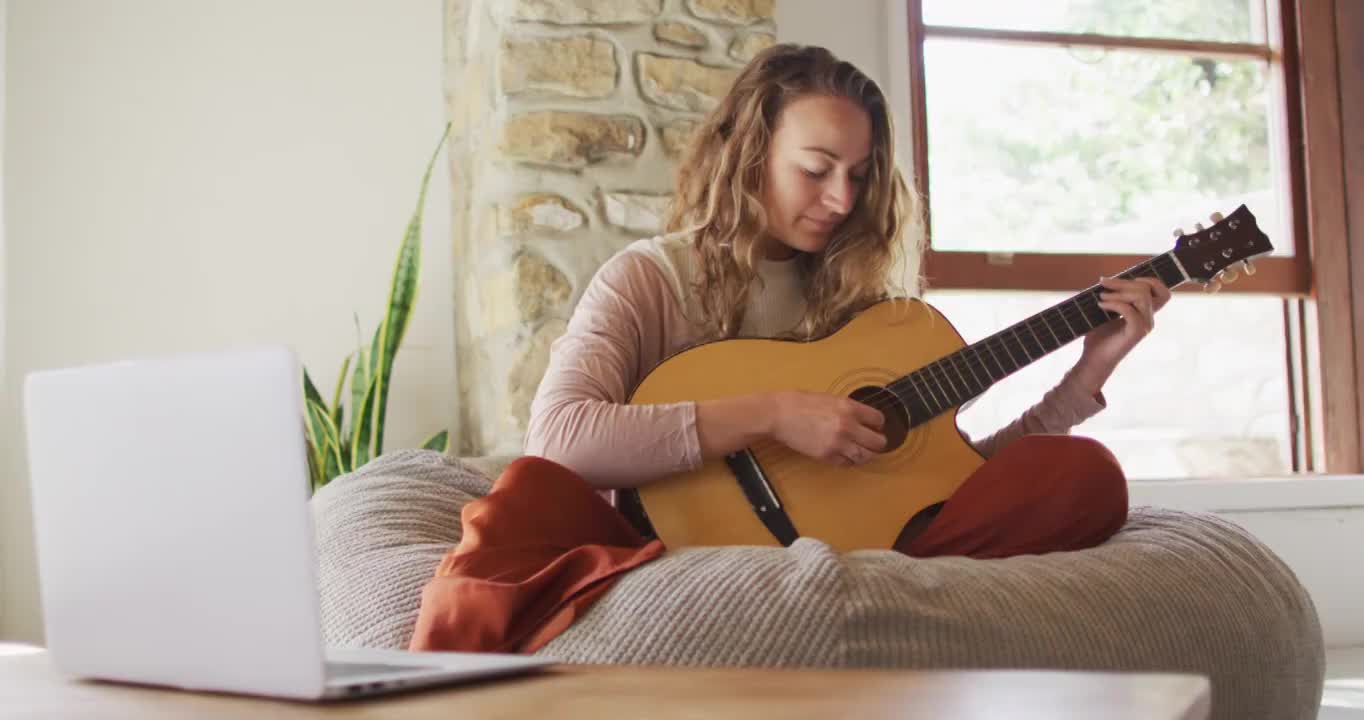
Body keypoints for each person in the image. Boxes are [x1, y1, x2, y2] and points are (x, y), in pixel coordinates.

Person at [409, 44, 1170, 654]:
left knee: (1084, 477)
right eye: (815, 170)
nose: (841, 200)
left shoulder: (872, 313)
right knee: (516, 506)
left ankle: (856, 583)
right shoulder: (648, 279)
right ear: (749, 151)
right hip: (664, 540)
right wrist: (772, 414)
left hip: (868, 542)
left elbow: (954, 479)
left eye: (859, 176)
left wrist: (1089, 370)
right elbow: (558, 440)